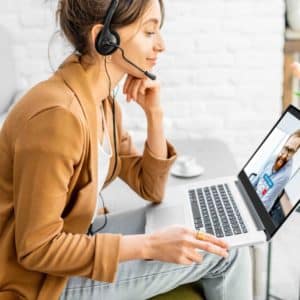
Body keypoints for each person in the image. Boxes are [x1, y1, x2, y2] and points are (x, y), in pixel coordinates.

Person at [0, 1, 253, 299]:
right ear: (104, 39)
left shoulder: (102, 101)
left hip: (76, 240)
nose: (161, 45)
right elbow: (36, 249)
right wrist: (149, 246)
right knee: (225, 253)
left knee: (213, 234)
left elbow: (151, 188)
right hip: (38, 283)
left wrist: (154, 114)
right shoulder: (59, 117)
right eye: (149, 32)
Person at [250, 130, 300, 212]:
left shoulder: (285, 175)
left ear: (296, 153)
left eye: (291, 151)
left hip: (259, 208)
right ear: (284, 144)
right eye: (285, 148)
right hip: (253, 196)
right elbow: (256, 179)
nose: (284, 155)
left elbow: (264, 204)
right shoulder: (272, 158)